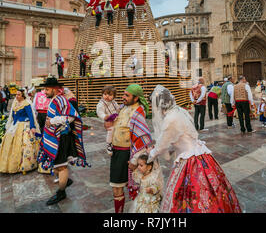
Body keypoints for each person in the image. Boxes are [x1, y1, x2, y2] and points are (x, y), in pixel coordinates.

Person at [148, 85, 242, 213]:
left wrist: (150, 154)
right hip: (201, 154)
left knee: (191, 194)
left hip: (189, 160)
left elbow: (162, 145)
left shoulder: (170, 119)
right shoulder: (179, 111)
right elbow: (178, 137)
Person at [37, 76, 90, 205]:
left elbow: (72, 116)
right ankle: (65, 180)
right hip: (57, 137)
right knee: (57, 165)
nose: (45, 92)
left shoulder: (60, 100)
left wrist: (53, 121)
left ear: (55, 89)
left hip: (61, 138)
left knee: (61, 167)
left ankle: (61, 192)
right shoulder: (56, 99)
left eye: (47, 89)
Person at [109, 84, 152, 213]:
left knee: (135, 188)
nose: (123, 97)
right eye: (123, 94)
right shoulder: (123, 108)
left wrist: (134, 160)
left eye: (127, 95)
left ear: (136, 97)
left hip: (127, 154)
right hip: (116, 153)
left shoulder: (138, 112)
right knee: (116, 188)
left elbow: (142, 138)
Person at [0, 89, 41, 174]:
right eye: (16, 95)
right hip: (15, 125)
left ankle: (23, 165)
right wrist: (12, 125)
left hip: (24, 125)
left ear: (23, 96)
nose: (16, 96)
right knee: (10, 143)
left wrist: (32, 127)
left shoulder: (26, 104)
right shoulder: (15, 104)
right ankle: (9, 164)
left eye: (18, 95)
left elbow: (31, 116)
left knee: (24, 144)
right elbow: (13, 116)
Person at [96, 85, 121, 156]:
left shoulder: (114, 102)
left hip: (116, 118)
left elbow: (117, 108)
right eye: (105, 94)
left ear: (114, 96)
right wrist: (104, 116)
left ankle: (116, 142)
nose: (107, 96)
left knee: (118, 130)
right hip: (109, 119)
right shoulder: (101, 103)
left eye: (110, 95)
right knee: (111, 130)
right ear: (102, 94)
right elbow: (99, 112)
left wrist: (119, 111)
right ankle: (109, 144)